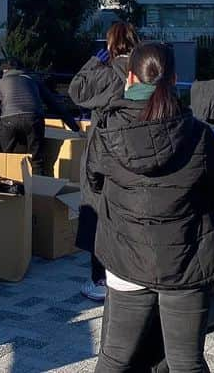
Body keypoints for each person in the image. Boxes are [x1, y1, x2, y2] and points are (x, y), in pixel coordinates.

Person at [87, 42, 214, 373]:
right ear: (175, 78)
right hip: (185, 260)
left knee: (114, 357)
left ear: (130, 77)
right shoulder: (198, 134)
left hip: (125, 257)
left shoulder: (107, 132)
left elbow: (93, 186)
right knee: (186, 362)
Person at [69, 22, 140, 302]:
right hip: (135, 151)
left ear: (110, 45)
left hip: (103, 151)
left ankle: (100, 278)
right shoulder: (142, 73)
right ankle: (131, 275)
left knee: (97, 213)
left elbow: (77, 91)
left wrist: (91, 64)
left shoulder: (107, 73)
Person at [0, 60, 80, 175]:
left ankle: (5, 186)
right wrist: (74, 127)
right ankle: (38, 188)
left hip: (8, 120)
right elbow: (54, 104)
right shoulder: (33, 80)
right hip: (34, 118)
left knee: (5, 158)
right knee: (36, 160)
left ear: (4, 71)